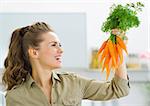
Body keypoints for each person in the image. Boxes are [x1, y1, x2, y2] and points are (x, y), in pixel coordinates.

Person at [2, 22, 130, 106]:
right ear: (34, 53)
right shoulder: (15, 97)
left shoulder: (74, 82)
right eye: (53, 45)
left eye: (60, 45)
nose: (61, 50)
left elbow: (119, 89)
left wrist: (118, 53)